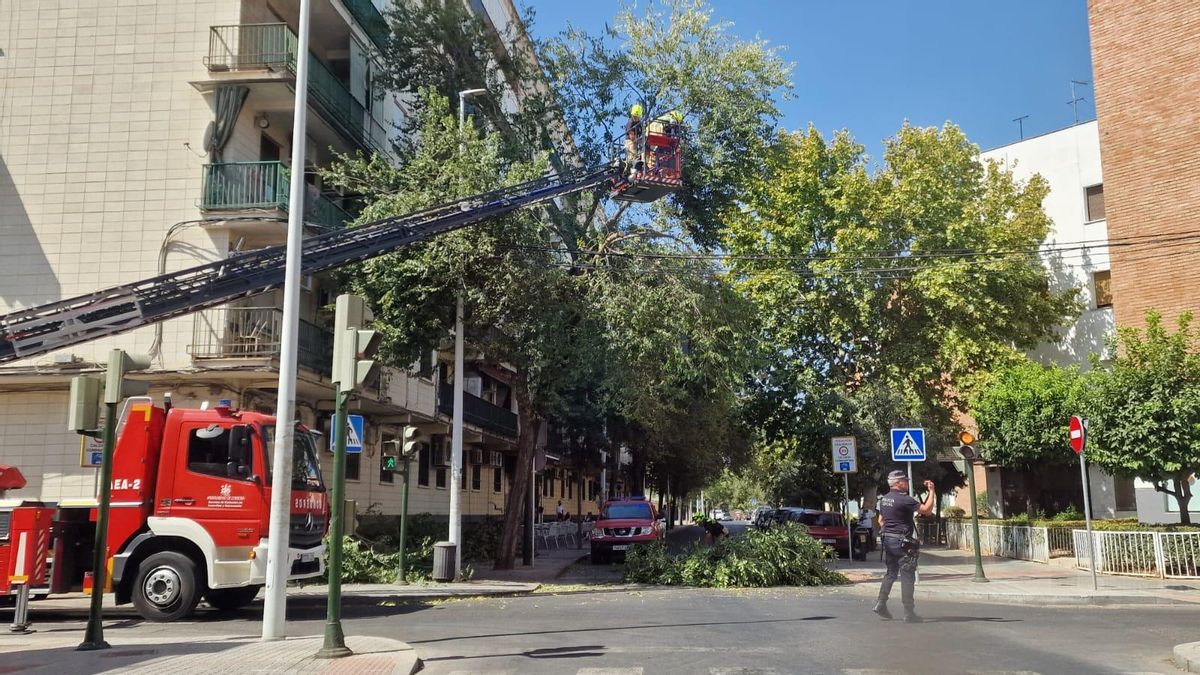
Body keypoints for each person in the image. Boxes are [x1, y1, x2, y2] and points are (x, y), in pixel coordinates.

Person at [874, 470, 936, 623]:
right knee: (907, 577)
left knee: (890, 573)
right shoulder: (905, 500)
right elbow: (926, 510)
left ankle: (880, 603)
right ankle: (909, 613)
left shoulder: (884, 499)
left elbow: (881, 520)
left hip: (888, 541)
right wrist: (932, 491)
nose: (907, 483)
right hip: (903, 543)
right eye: (905, 481)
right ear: (898, 483)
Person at [624, 103, 645, 176]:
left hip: (637, 141)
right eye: (635, 116)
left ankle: (639, 170)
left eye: (638, 116)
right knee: (632, 156)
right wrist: (641, 142)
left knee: (640, 155)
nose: (636, 118)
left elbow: (642, 134)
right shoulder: (630, 123)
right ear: (632, 115)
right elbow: (631, 136)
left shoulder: (639, 123)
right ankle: (629, 172)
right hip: (630, 142)